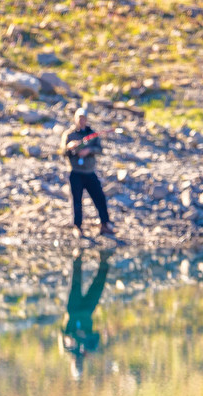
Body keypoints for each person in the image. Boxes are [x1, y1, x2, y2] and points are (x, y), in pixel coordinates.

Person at [64, 107, 116, 239]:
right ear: (75, 119)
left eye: (84, 118)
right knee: (77, 200)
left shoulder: (92, 134)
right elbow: (63, 152)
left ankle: (105, 224)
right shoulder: (70, 135)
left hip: (89, 172)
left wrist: (89, 150)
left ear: (86, 120)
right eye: (79, 118)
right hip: (75, 173)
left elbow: (99, 149)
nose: (81, 121)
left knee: (100, 197)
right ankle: (77, 226)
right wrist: (70, 147)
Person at [62, 251, 109, 379]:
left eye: (76, 366)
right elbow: (96, 336)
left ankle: (78, 257)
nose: (77, 363)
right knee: (98, 286)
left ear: (72, 365)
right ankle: (104, 260)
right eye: (79, 366)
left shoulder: (68, 348)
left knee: (75, 282)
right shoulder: (89, 349)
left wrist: (71, 337)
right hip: (87, 312)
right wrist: (85, 336)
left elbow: (63, 333)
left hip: (73, 310)